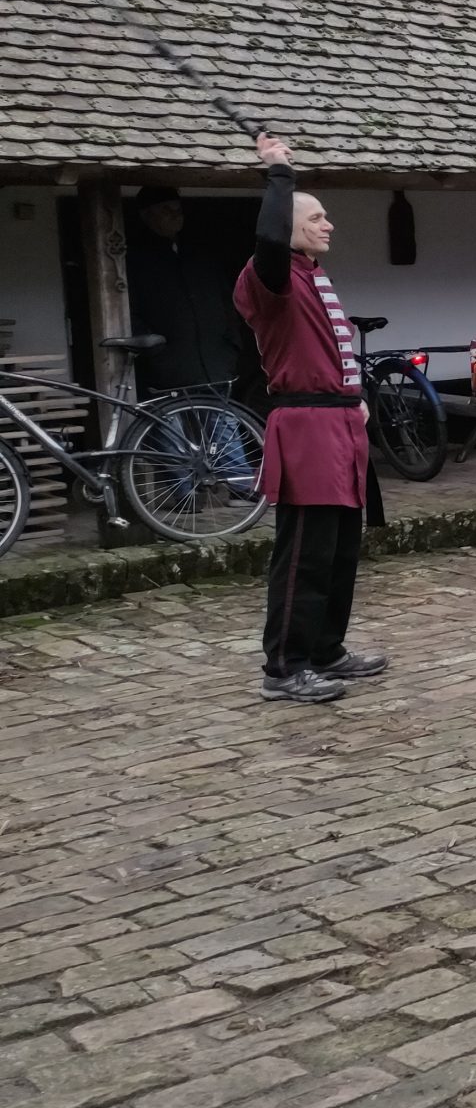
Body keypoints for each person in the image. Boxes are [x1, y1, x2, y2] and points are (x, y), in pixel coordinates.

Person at [232, 137, 383, 703]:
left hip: (340, 425)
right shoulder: (268, 278)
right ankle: (284, 666)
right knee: (305, 553)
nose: (328, 225)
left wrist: (353, 396)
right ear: (289, 226)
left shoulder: (313, 274)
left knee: (340, 549)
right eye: (316, 217)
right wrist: (279, 174)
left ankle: (324, 650)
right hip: (307, 430)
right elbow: (270, 238)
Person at [127, 187, 254, 398]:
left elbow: (227, 302)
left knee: (222, 418)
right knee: (171, 419)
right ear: (146, 215)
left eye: (178, 209)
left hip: (217, 364)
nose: (175, 215)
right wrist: (157, 352)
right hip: (168, 372)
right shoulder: (136, 260)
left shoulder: (201, 253)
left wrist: (231, 343)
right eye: (166, 210)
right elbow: (129, 312)